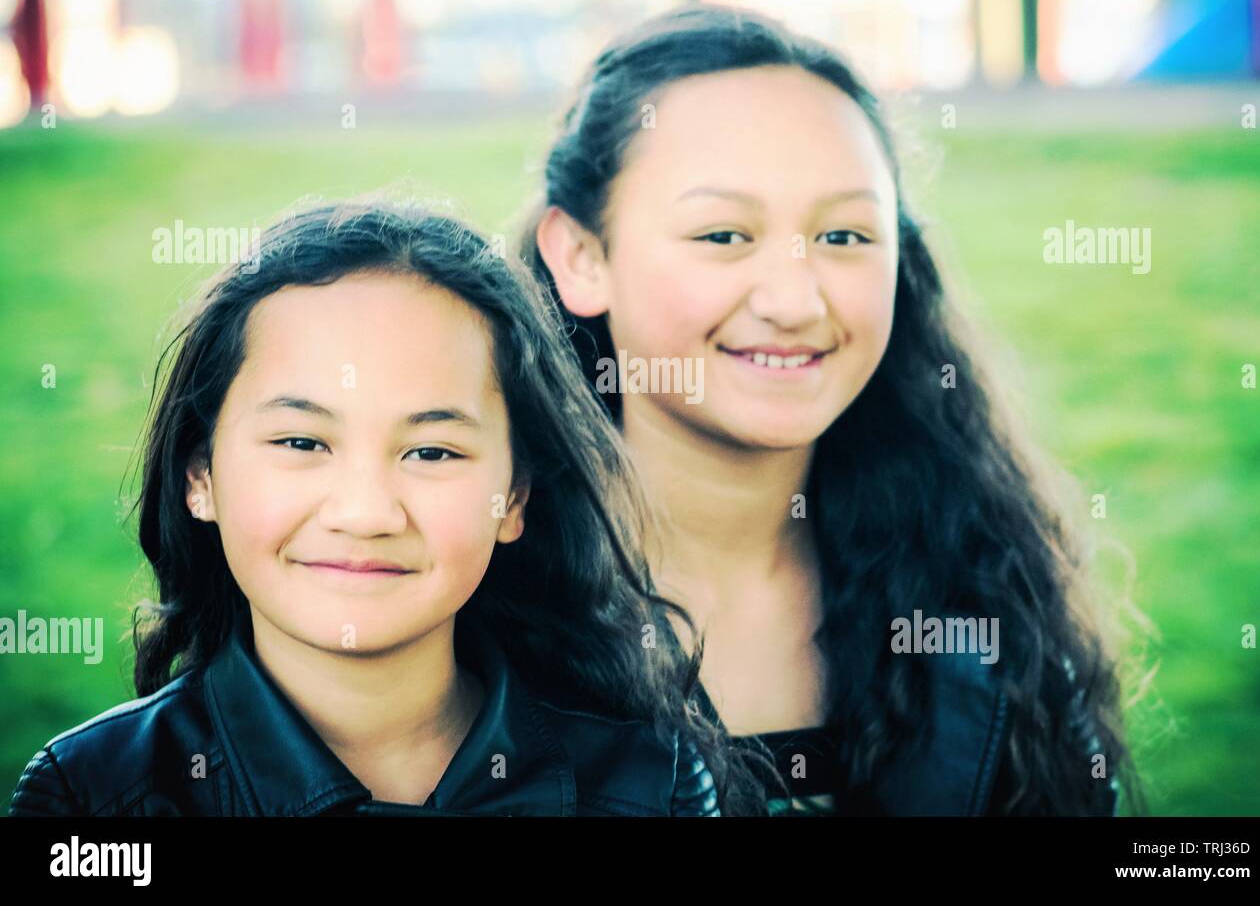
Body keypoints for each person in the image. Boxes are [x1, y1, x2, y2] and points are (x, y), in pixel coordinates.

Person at [522, 3, 1138, 815]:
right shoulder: (472, 612)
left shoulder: (979, 592)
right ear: (582, 257)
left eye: (844, 237)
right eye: (723, 235)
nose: (794, 299)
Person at [8, 198, 750, 817]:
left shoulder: (650, 786)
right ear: (199, 474)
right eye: (301, 442)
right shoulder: (89, 798)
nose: (365, 513)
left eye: (431, 452)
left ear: (514, 496)